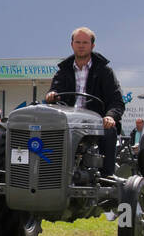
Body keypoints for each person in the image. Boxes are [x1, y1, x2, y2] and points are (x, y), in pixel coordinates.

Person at [45, 26, 125, 176]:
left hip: (95, 122)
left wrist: (110, 117)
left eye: (85, 43)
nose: (81, 46)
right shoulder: (63, 72)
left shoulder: (104, 71)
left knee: (108, 129)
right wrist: (51, 95)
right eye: (78, 42)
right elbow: (54, 91)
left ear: (92, 46)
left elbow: (116, 101)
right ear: (72, 45)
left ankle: (106, 176)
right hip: (67, 122)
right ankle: (49, 172)